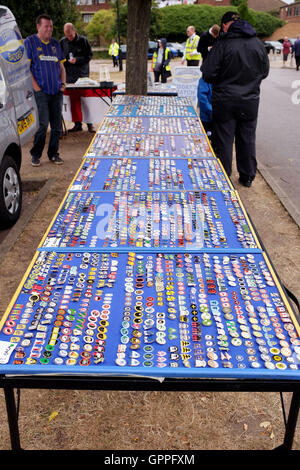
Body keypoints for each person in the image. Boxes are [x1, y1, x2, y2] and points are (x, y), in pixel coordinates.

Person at [201, 11, 269, 188]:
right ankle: (247, 176)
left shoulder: (223, 44)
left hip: (225, 101)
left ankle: (224, 177)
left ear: (225, 25)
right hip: (249, 100)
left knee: (223, 140)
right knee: (247, 138)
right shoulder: (257, 43)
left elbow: (208, 73)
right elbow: (265, 72)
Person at [24, 14, 66, 167]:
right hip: (41, 91)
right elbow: (26, 69)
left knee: (56, 126)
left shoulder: (55, 44)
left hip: (56, 92)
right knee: (42, 125)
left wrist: (63, 84)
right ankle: (35, 154)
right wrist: (36, 87)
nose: (49, 29)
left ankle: (53, 154)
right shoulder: (30, 42)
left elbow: (61, 67)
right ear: (38, 27)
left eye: (51, 26)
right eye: (46, 26)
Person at [60, 23, 95, 133]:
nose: (68, 38)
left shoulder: (83, 41)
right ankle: (77, 124)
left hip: (82, 76)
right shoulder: (62, 42)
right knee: (73, 101)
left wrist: (78, 60)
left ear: (74, 31)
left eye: (70, 35)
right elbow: (60, 58)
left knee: (85, 101)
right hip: (69, 77)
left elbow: (89, 55)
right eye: (66, 35)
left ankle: (90, 124)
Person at [197, 25, 220, 141]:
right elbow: (199, 49)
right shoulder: (204, 35)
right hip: (207, 63)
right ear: (212, 32)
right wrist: (208, 49)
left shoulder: (219, 35)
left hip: (215, 63)